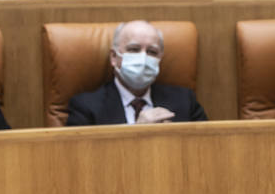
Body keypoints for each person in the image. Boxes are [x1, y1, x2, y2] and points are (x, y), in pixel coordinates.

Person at [65, 20, 208, 125]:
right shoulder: (86, 107)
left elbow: (206, 150)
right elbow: (80, 160)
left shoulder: (184, 101)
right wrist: (136, 133)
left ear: (159, 59)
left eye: (152, 52)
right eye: (134, 49)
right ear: (114, 57)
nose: (143, 58)